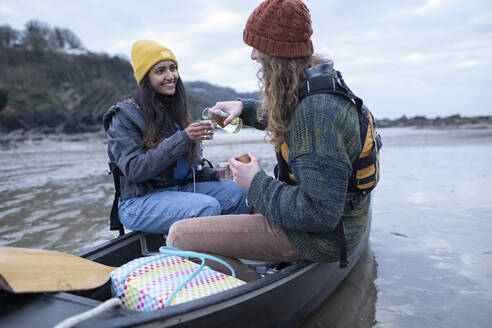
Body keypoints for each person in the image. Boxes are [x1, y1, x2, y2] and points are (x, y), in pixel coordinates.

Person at [167, 0, 378, 281]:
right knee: (234, 201)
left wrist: (256, 182)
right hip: (343, 223)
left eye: (258, 48)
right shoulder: (318, 86)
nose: (253, 56)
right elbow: (288, 113)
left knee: (179, 236)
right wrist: (245, 108)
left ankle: (252, 289)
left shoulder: (317, 115)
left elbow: (319, 214)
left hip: (322, 237)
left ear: (278, 55)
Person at [103, 40, 251, 234]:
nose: (170, 75)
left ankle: (238, 253)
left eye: (173, 68)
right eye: (160, 71)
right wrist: (184, 138)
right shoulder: (123, 116)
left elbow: (186, 172)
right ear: (145, 78)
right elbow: (134, 170)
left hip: (179, 190)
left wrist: (221, 174)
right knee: (206, 207)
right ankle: (206, 261)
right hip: (138, 201)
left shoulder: (175, 111)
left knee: (240, 193)